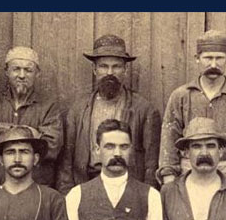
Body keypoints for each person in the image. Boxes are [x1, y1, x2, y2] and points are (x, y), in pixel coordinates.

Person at [159, 30, 226, 197]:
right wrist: (172, 193)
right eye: (208, 58)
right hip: (189, 178)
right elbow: (168, 149)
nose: (214, 64)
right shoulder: (180, 96)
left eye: (219, 58)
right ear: (197, 59)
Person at [65, 119, 163, 220]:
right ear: (97, 149)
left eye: (123, 147)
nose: (117, 153)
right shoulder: (76, 195)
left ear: (131, 150)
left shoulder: (150, 196)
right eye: (109, 146)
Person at [58, 35, 161, 192]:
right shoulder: (78, 110)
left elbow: (151, 162)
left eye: (116, 67)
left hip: (127, 186)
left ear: (125, 70)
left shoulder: (144, 109)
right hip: (86, 184)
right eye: (103, 66)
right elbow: (66, 160)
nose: (109, 73)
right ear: (94, 69)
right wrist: (67, 194)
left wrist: (145, 196)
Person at [0, 46, 63, 187]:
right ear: (6, 72)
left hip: (35, 191)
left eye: (28, 70)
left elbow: (51, 148)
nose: (22, 75)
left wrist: (1, 128)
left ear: (37, 74)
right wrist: (30, 132)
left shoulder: (48, 106)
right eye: (16, 69)